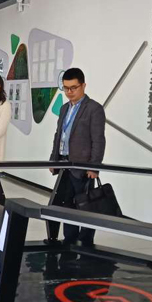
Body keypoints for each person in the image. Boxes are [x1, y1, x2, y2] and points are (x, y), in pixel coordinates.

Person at [47, 68, 106, 247]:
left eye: (73, 88)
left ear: (83, 85)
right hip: (64, 164)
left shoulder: (94, 109)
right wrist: (53, 160)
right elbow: (58, 135)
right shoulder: (64, 108)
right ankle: (70, 239)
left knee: (86, 205)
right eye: (66, 88)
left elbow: (98, 139)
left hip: (83, 167)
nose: (69, 92)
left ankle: (86, 240)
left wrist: (94, 166)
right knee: (67, 204)